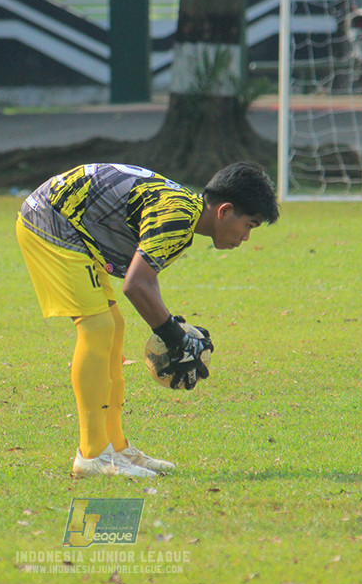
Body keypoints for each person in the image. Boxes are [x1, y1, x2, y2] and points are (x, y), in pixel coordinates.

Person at [15, 162, 279, 478]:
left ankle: (115, 447)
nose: (247, 237)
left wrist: (171, 328)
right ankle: (93, 455)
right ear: (224, 211)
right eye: (249, 225)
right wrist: (173, 335)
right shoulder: (179, 218)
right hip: (50, 219)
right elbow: (135, 285)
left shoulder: (183, 212)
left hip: (70, 223)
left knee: (112, 328)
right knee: (97, 327)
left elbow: (145, 278)